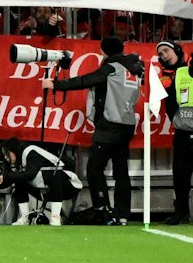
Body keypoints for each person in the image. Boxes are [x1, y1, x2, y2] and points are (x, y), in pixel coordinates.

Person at [46, 39, 146, 223]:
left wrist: (56, 85)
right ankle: (122, 214)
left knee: (94, 168)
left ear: (105, 51)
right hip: (127, 124)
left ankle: (103, 208)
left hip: (110, 124)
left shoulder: (112, 67)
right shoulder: (134, 68)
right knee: (121, 170)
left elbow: (87, 80)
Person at [157, 42, 193, 224]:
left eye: (166, 51)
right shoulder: (173, 76)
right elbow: (169, 103)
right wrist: (178, 122)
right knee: (180, 175)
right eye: (161, 53)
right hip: (183, 132)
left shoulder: (184, 71)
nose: (164, 55)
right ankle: (181, 212)